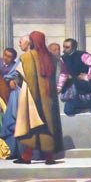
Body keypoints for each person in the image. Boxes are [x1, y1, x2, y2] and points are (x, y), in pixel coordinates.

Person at [13, 31, 64, 164]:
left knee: (32, 126)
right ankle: (47, 157)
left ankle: (27, 156)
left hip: (31, 96)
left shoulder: (27, 57)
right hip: (48, 98)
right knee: (47, 125)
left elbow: (21, 77)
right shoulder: (52, 58)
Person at [59, 37, 91, 149]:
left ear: (74, 47)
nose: (64, 49)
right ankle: (86, 105)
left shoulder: (83, 55)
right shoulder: (63, 58)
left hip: (89, 88)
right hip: (76, 88)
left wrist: (88, 76)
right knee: (68, 110)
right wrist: (59, 86)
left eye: (67, 47)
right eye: (64, 47)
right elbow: (63, 73)